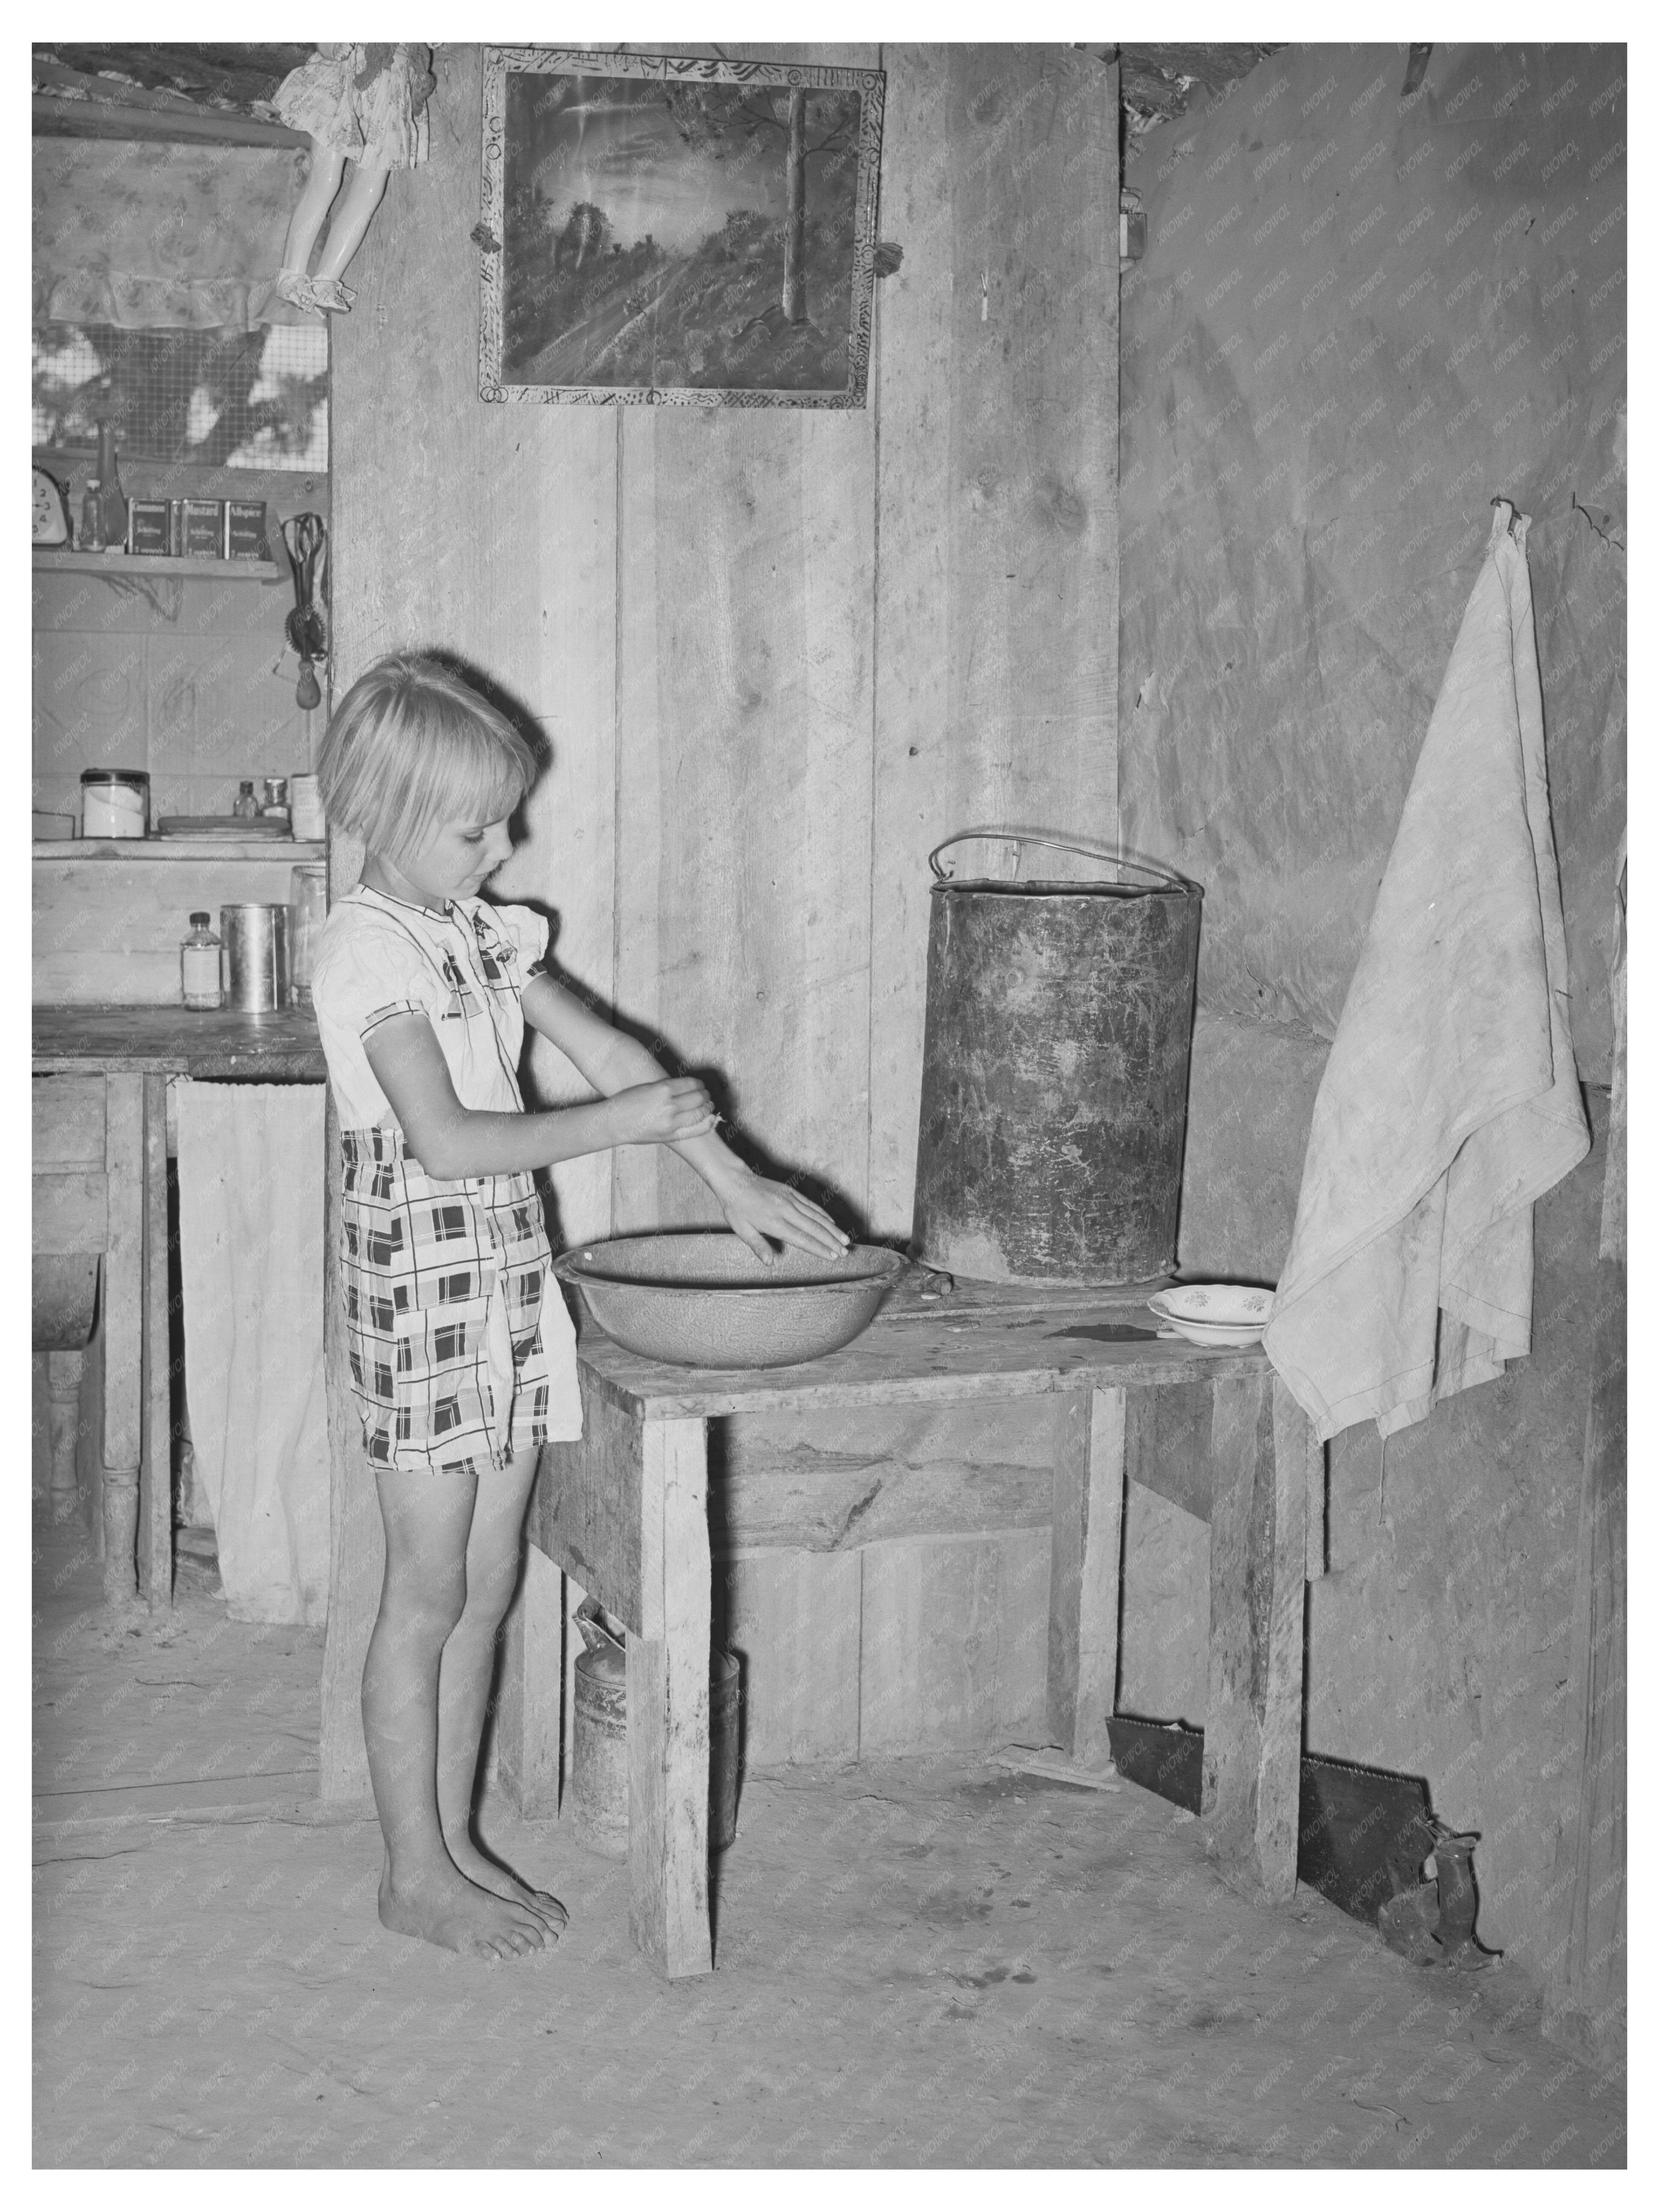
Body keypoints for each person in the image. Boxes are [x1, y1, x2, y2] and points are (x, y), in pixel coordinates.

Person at [310, 654, 847, 1963]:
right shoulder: (365, 950)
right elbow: (445, 1139)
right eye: (475, 829)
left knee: (491, 1582)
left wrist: (732, 1178)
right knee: (427, 1592)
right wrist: (623, 1125)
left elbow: (614, 1055)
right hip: (419, 1287)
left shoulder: (480, 929)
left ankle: (450, 1841)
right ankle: (411, 1871)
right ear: (379, 815)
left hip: (502, 1272)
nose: (504, 847)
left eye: (505, 819)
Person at [270, 44, 434, 315]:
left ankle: (327, 281)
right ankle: (291, 276)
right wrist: (333, 45)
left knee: (370, 191)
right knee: (325, 179)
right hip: (351, 74)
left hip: (393, 91)